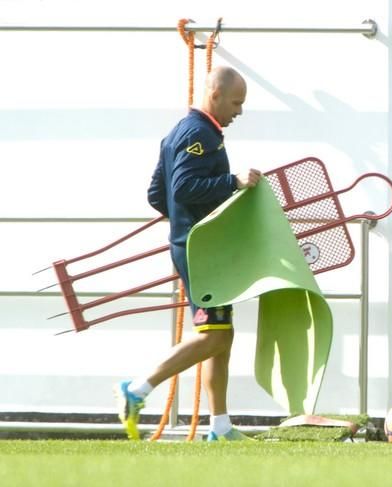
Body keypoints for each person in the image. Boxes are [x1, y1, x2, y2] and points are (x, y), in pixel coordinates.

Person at [115, 66, 262, 442]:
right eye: (236, 102)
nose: (239, 111)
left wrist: (184, 221)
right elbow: (183, 188)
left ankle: (220, 427)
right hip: (201, 252)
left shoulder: (180, 131)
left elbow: (156, 194)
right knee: (212, 337)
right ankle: (138, 389)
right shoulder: (200, 134)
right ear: (215, 93)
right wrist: (233, 182)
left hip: (197, 246)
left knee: (222, 335)